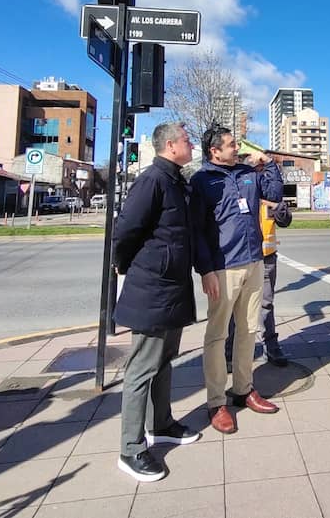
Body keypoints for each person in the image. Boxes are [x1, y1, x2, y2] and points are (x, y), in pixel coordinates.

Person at [112, 122, 200, 483]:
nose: (191, 143)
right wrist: (133, 265)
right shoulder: (153, 180)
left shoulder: (176, 179)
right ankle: (131, 449)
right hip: (153, 287)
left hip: (172, 288)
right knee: (141, 369)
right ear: (169, 145)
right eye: (186, 139)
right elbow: (126, 231)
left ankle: (160, 423)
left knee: (165, 361)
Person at [191, 124, 285, 434]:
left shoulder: (248, 173)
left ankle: (244, 389)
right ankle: (217, 402)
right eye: (231, 145)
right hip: (222, 267)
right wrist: (205, 270)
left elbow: (273, 194)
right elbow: (197, 231)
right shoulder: (202, 180)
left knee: (248, 329)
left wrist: (269, 165)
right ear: (214, 151)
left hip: (254, 261)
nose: (237, 148)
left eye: (235, 144)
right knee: (218, 336)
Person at [225, 154, 294, 367]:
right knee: (235, 306)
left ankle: (271, 346)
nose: (260, 172)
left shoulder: (269, 193)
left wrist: (276, 207)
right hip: (241, 258)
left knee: (266, 304)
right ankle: (230, 351)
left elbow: (285, 220)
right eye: (257, 168)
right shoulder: (241, 190)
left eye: (263, 168)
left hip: (266, 257)